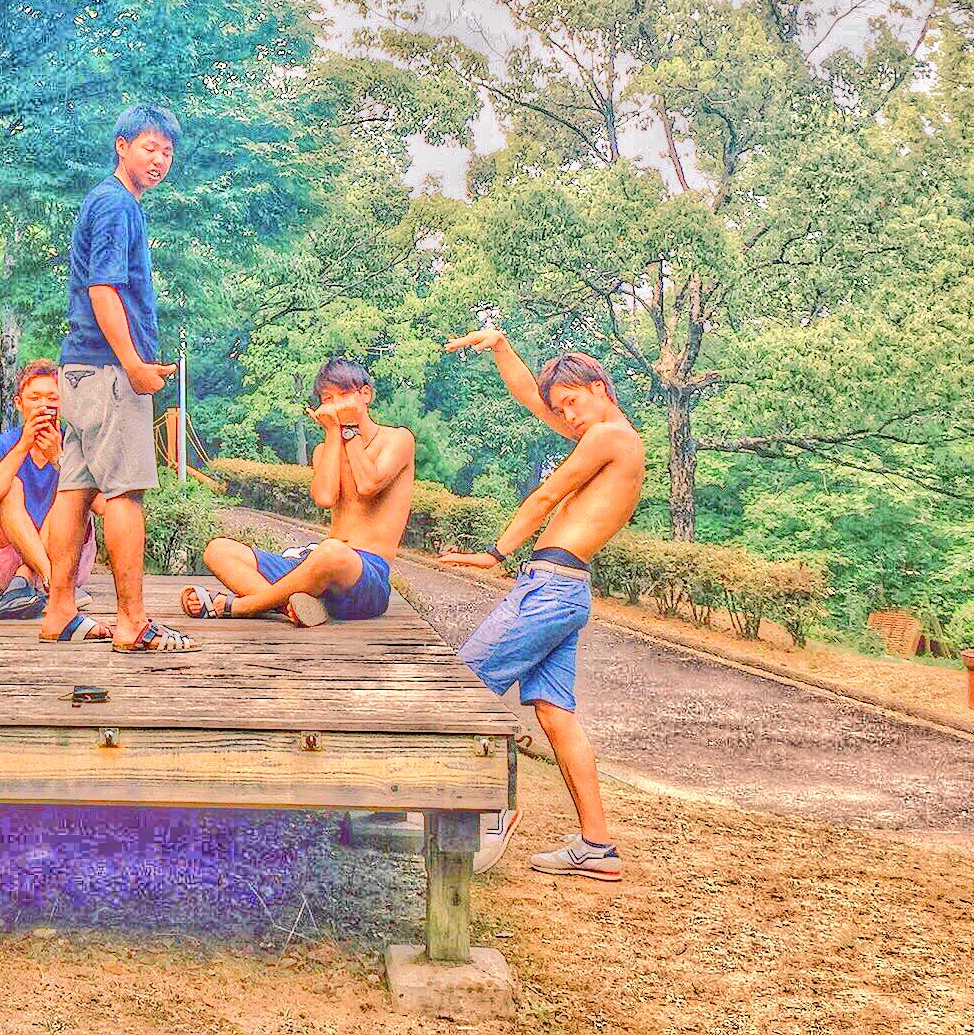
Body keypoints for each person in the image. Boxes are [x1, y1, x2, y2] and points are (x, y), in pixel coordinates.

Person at [439, 326, 646, 883]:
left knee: (462, 689)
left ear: (601, 387)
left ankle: (488, 814)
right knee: (555, 715)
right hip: (567, 589)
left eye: (573, 402)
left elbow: (547, 494)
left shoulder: (609, 437)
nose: (567, 416)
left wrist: (495, 552)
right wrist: (501, 347)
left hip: (549, 588)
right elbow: (532, 398)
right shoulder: (609, 436)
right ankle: (597, 846)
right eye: (562, 409)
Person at [38, 104, 194, 653]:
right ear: (121, 146)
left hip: (80, 369)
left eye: (167, 152)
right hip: (108, 371)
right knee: (125, 492)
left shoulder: (109, 202)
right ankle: (133, 622)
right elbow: (103, 289)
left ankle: (59, 610)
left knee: (75, 489)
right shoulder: (116, 204)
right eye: (149, 147)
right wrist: (132, 364)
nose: (159, 159)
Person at [181, 357, 405, 627]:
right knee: (218, 550)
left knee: (331, 552)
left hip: (365, 576)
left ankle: (243, 606)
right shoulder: (324, 450)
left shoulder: (397, 439)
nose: (336, 406)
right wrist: (333, 433)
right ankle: (296, 606)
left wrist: (349, 430)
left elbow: (368, 485)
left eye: (344, 395)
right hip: (318, 566)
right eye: (328, 399)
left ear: (365, 394)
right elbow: (324, 498)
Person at [0, 358, 100, 619]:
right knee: (9, 485)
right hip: (10, 567)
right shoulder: (0, 445)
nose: (43, 405)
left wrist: (59, 459)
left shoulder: (79, 444)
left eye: (52, 398)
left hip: (68, 564)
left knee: (70, 490)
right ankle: (51, 580)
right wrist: (23, 446)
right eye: (35, 398)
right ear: (19, 403)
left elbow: (102, 505)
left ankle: (27, 577)